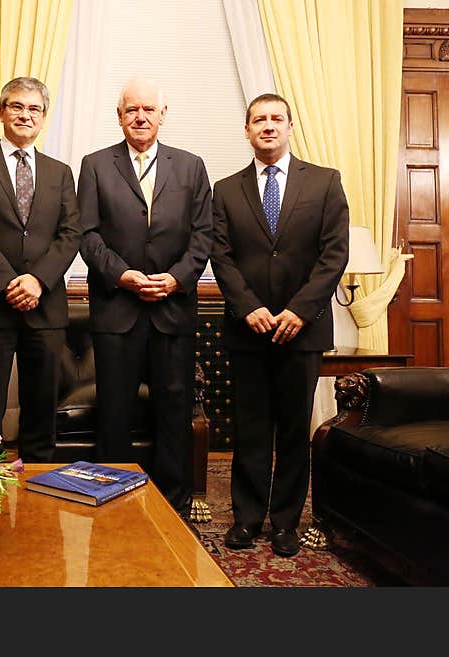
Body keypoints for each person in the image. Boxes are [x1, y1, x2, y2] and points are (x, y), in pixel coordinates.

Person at [211, 93, 349, 557]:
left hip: (302, 328)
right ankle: (247, 520)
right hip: (247, 328)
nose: (267, 126)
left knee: (293, 428)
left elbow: (334, 255)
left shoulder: (326, 182)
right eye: (258, 120)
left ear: (290, 126)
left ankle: (286, 521)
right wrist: (247, 306)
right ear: (247, 130)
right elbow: (221, 255)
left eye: (276, 119)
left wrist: (300, 310)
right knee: (249, 427)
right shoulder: (226, 190)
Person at [78, 78, 212, 518]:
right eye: (131, 109)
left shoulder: (191, 167)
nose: (140, 116)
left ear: (163, 114)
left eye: (149, 109)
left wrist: (174, 279)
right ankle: (114, 504)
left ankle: (174, 506)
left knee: (173, 412)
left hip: (172, 311)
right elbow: (87, 234)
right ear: (119, 116)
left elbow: (203, 236)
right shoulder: (95, 165)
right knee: (114, 412)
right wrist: (122, 275)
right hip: (118, 310)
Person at [0, 76, 81, 463]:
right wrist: (10, 281)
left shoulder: (60, 172)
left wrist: (37, 280)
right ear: (3, 111)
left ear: (44, 118)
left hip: (45, 306)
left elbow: (71, 233)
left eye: (34, 109)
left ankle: (39, 491)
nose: (26, 115)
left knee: (41, 408)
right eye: (17, 107)